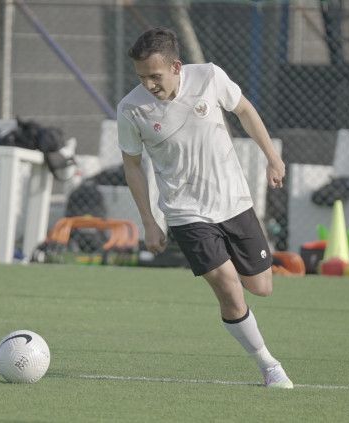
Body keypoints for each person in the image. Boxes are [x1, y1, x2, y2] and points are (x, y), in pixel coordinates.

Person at [116, 27, 293, 389]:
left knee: (261, 287)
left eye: (155, 76)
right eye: (141, 77)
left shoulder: (210, 76)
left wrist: (273, 158)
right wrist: (149, 221)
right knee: (228, 287)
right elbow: (132, 165)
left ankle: (237, 278)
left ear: (177, 66)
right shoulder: (131, 109)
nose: (148, 84)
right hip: (185, 212)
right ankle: (269, 366)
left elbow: (243, 109)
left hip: (233, 201)